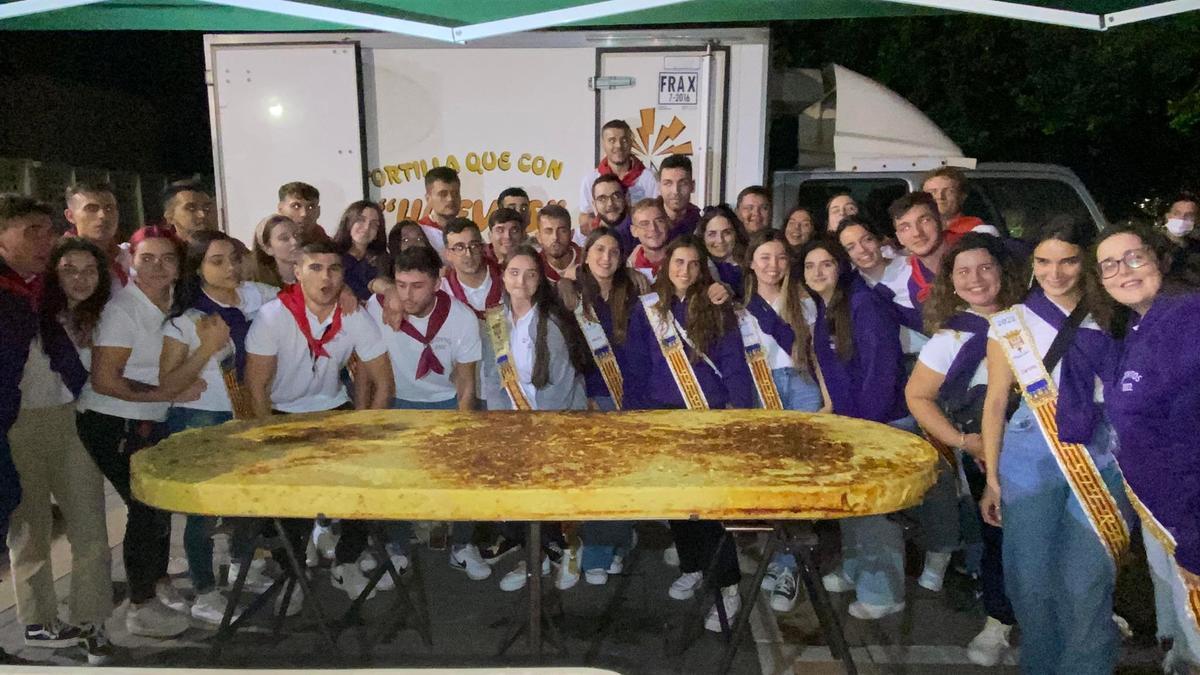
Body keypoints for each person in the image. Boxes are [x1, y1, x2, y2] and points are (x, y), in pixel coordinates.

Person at [978, 221, 1131, 674]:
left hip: (1102, 450)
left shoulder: (1115, 314)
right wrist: (991, 478)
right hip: (1028, 451)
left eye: (1068, 260)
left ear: (1086, 261)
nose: (1055, 272)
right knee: (1029, 582)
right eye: (1044, 261)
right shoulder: (1010, 322)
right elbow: (995, 402)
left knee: (1087, 583)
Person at [244, 239, 394, 603]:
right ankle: (293, 574)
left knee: (368, 486)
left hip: (334, 410)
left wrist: (364, 429)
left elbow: (384, 383)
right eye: (315, 268)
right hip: (282, 415)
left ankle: (347, 561)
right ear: (297, 272)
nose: (325, 277)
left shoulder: (354, 314)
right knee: (289, 503)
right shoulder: (272, 317)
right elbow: (256, 387)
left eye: (334, 269)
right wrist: (271, 441)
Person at [74, 226, 204, 638]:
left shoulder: (174, 303)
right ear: (131, 260)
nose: (157, 266)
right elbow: (105, 379)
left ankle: (157, 581)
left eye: (168, 258)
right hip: (113, 419)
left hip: (152, 416)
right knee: (144, 506)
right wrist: (169, 391)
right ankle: (139, 604)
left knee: (157, 504)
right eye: (147, 257)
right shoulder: (122, 310)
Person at [903, 233, 1023, 665]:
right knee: (999, 538)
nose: (976, 279)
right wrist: (961, 441)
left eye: (985, 268)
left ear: (1002, 272)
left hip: (1051, 450)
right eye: (964, 271)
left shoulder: (1032, 319)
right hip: (987, 452)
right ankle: (999, 620)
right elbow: (917, 396)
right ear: (951, 282)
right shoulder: (951, 337)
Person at [623, 235, 754, 632]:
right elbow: (636, 367)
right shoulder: (647, 310)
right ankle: (693, 566)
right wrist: (636, 417)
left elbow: (733, 360)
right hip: (664, 417)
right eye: (678, 262)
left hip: (708, 417)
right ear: (666, 266)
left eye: (693, 264)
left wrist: (736, 409)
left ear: (702, 269)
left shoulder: (716, 308)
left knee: (711, 509)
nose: (684, 270)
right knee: (678, 503)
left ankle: (728, 586)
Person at [1, 199, 112, 663]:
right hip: (13, 424)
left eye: (48, 231)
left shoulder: (44, 291)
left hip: (68, 416)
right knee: (29, 528)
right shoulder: (13, 294)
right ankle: (38, 621)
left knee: (89, 521)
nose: (43, 241)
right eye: (31, 231)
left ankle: (90, 619)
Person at [160, 230, 280, 624]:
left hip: (245, 412)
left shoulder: (256, 295)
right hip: (201, 417)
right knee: (203, 510)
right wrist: (207, 349)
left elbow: (298, 297)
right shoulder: (188, 319)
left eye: (233, 258)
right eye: (217, 261)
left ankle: (241, 564)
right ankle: (204, 589)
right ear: (198, 268)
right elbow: (169, 383)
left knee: (245, 496)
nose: (230, 267)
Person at [1096, 222, 1200, 673]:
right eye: (1110, 266)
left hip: (1189, 518)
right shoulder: (1139, 325)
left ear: (1159, 259)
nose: (1124, 271)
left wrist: (1195, 542)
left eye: (1135, 257)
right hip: (1164, 516)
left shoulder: (1186, 321)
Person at [799, 237, 917, 620]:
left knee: (874, 510)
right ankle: (856, 570)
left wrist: (869, 428)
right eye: (810, 266)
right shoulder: (826, 305)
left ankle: (883, 594)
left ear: (841, 266)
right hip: (851, 423)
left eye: (826, 264)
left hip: (879, 421)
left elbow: (880, 370)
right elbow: (834, 369)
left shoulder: (863, 305)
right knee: (854, 504)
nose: (818, 272)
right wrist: (831, 410)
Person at [480, 244, 590, 591]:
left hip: (551, 421)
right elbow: (491, 378)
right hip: (513, 423)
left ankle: (568, 549)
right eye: (514, 272)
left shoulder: (552, 322)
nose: (521, 281)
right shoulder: (495, 320)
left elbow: (561, 382)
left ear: (540, 279)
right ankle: (534, 558)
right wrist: (503, 426)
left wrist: (537, 429)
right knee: (520, 496)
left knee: (550, 494)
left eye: (530, 273)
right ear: (503, 276)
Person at [741, 230, 825, 613]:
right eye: (764, 257)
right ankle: (776, 554)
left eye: (779, 257)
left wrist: (828, 397)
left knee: (803, 474)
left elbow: (815, 354)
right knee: (768, 475)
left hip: (802, 385)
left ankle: (790, 562)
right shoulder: (740, 303)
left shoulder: (806, 300)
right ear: (751, 261)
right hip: (762, 386)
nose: (772, 265)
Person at [562, 227, 649, 585]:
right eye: (599, 249)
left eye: (614, 251)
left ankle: (615, 546)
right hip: (591, 397)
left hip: (630, 395)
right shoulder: (570, 293)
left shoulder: (635, 291)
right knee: (597, 477)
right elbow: (566, 350)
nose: (606, 257)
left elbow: (645, 347)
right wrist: (585, 395)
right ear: (586, 253)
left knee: (624, 475)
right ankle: (598, 551)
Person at [578, 119, 658, 231]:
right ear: (603, 144)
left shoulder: (648, 178)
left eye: (624, 140)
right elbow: (585, 217)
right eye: (612, 140)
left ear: (631, 142)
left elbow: (657, 214)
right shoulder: (590, 179)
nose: (618, 145)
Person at [63, 182, 130, 285]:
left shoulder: (131, 256)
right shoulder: (60, 260)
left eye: (109, 208)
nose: (102, 215)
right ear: (70, 216)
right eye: (91, 209)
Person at [921, 168, 999, 247]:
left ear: (962, 196)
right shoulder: (916, 232)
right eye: (932, 192)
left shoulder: (980, 231)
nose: (940, 197)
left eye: (949, 191)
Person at [441, 218, 503, 319]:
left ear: (482, 247)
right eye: (459, 248)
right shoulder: (442, 292)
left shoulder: (506, 278)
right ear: (448, 254)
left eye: (473, 245)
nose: (468, 254)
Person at [332, 200, 388, 300]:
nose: (366, 227)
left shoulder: (382, 260)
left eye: (374, 224)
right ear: (348, 222)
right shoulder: (332, 256)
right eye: (361, 220)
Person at [697, 205, 748, 295]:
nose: (720, 240)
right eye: (712, 234)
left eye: (727, 233)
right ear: (703, 237)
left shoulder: (751, 266)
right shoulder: (696, 268)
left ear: (736, 234)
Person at [419, 166, 462, 255]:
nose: (450, 199)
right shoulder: (420, 233)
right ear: (428, 198)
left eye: (455, 193)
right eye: (443, 194)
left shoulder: (468, 230)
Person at [1159, 192, 1200, 285]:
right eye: (1177, 213)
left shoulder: (1196, 248)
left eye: (1189, 215)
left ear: (1197, 220)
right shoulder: (1153, 246)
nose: (1182, 219)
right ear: (1167, 216)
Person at [251, 213, 302, 287]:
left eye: (296, 235)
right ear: (268, 249)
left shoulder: (312, 278)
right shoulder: (260, 289)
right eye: (284, 238)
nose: (295, 242)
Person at [627, 198, 671, 281]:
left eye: (659, 221)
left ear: (667, 223)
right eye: (645, 224)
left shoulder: (681, 264)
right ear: (634, 231)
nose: (653, 228)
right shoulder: (625, 271)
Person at [659, 154, 701, 241]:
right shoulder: (642, 221)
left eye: (683, 183)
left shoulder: (700, 225)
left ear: (692, 186)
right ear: (659, 187)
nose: (675, 191)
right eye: (668, 183)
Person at [536, 204, 582, 283]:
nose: (555, 237)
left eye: (562, 231)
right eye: (548, 231)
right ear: (538, 237)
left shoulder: (589, 260)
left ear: (571, 234)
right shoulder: (534, 267)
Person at [591, 175, 634, 256]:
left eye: (616, 196)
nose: (610, 204)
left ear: (626, 199)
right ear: (594, 205)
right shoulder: (589, 239)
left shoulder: (643, 234)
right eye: (602, 199)